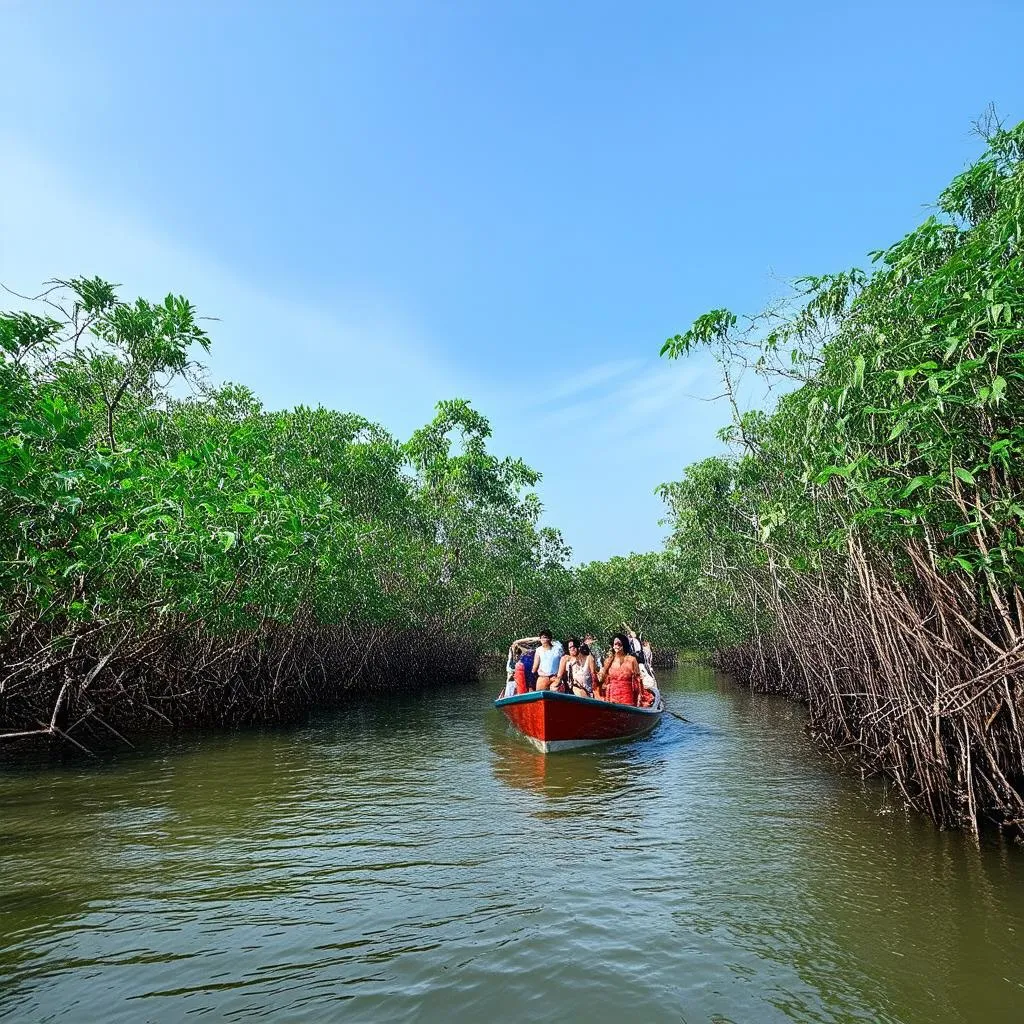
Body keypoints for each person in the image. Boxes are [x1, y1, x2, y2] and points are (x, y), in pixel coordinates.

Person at [598, 632, 642, 706]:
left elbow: (638, 683)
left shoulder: (632, 660)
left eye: (619, 644)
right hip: (611, 700)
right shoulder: (608, 661)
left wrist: (638, 702)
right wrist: (604, 669)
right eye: (615, 644)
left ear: (624, 645)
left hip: (627, 701)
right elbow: (602, 681)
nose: (617, 646)